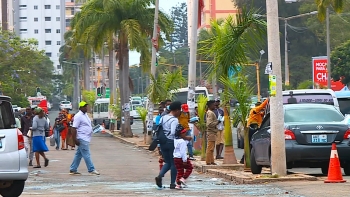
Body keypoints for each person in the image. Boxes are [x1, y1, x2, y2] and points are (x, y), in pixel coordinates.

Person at [155, 101, 183, 189]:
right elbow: (173, 132)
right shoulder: (174, 120)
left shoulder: (163, 117)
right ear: (177, 110)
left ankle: (160, 176)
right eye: (180, 110)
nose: (180, 112)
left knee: (167, 162)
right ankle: (172, 183)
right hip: (171, 142)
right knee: (174, 163)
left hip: (162, 142)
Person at [69, 101, 100, 175]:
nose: (86, 108)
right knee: (86, 154)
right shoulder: (78, 116)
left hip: (86, 137)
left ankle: (73, 169)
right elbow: (73, 128)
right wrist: (75, 139)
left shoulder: (85, 115)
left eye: (86, 106)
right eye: (85, 106)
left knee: (79, 154)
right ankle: (91, 169)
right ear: (81, 108)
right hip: (82, 137)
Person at [240, 99, 269, 164]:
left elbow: (262, 114)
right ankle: (244, 160)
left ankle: (244, 159)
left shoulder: (258, 113)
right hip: (251, 128)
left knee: (251, 145)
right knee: (250, 144)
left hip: (254, 128)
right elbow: (262, 106)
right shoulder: (254, 110)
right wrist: (268, 100)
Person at [173, 124, 193, 190]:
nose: (185, 134)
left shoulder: (176, 140)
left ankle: (178, 185)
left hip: (176, 158)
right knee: (190, 167)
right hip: (181, 158)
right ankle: (183, 178)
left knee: (180, 171)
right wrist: (184, 160)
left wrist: (187, 139)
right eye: (184, 133)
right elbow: (183, 152)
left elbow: (183, 144)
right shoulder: (182, 142)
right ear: (181, 134)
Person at [205, 100, 221, 165]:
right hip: (211, 132)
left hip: (212, 132)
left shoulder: (210, 112)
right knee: (210, 148)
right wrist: (217, 122)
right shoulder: (211, 113)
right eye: (214, 105)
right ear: (210, 105)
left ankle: (211, 161)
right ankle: (208, 161)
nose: (215, 106)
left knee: (211, 148)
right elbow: (209, 124)